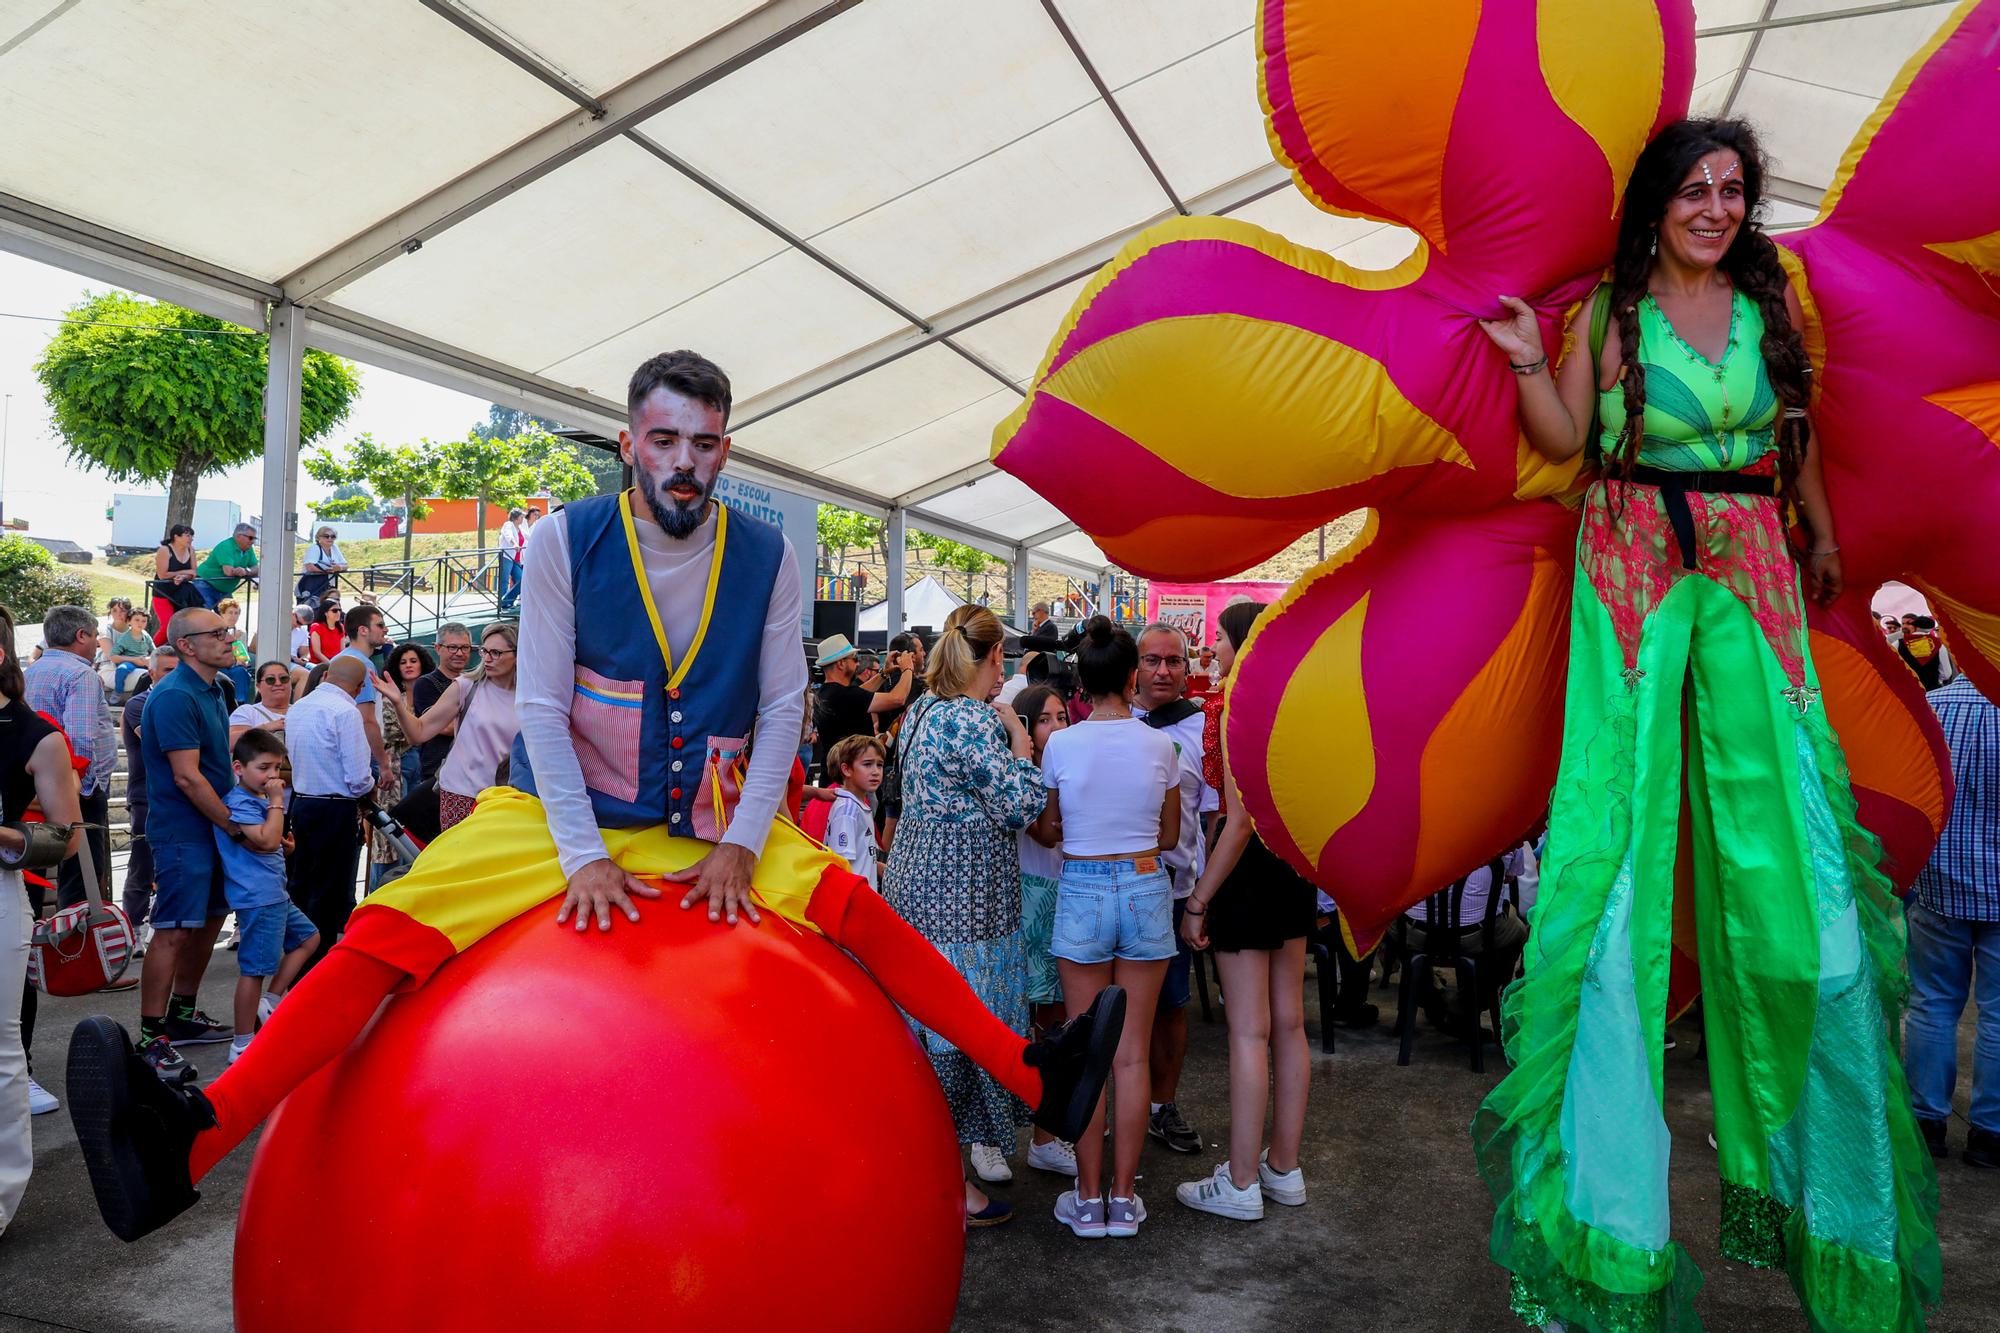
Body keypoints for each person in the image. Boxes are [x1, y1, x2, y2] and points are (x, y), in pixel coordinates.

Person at [67, 350, 1125, 1245]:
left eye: (705, 443)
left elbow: (779, 712)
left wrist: (744, 843)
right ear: (631, 442)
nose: (684, 462)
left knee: (859, 910)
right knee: (384, 932)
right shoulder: (567, 539)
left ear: (726, 449)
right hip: (555, 815)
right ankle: (194, 1137)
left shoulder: (768, 554)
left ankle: (1034, 1075)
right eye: (664, 441)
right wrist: (579, 854)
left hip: (711, 819)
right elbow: (538, 705)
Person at [1473, 118, 1936, 1328]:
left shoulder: (1767, 311)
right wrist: (1528, 356)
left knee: (1803, 893)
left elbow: (1795, 440)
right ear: (1655, 202)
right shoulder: (1608, 315)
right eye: (1695, 188)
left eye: (1733, 190)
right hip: (1628, 563)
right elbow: (1567, 443)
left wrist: (1824, 533)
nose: (1717, 206)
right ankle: (1604, 1239)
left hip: (1752, 568)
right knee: (1614, 867)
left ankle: (1828, 1214)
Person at [882, 603, 1050, 1223]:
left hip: (919, 894)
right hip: (966, 908)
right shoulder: (972, 721)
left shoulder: (924, 710)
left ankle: (935, 1174)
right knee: (960, 1038)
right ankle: (951, 1189)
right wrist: (1022, 741)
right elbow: (1022, 803)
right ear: (993, 659)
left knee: (928, 1037)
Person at [1036, 617, 1180, 1238]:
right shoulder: (1159, 746)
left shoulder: (1060, 746)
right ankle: (1125, 1200)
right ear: (1131, 676)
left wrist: (1077, 832)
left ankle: (1087, 1197)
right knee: (1131, 1053)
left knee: (1085, 1050)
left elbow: (1045, 829)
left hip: (1084, 885)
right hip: (1147, 883)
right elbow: (1171, 836)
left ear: (1080, 682)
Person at [1175, 599, 1314, 1222]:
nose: (1214, 649)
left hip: (1245, 872)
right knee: (1288, 1024)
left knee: (1248, 1032)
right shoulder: (1297, 702)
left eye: (1221, 639)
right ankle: (1282, 1167)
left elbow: (1236, 822)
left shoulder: (1235, 706)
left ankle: (1237, 1181)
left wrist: (1200, 898)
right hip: (1292, 869)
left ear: (1241, 640)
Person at [0, 602, 83, 1236]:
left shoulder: (36, 735)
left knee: (2, 1051)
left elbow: (69, 836)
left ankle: (0, 1202)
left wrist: (6, 834)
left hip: (1, 895)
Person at [135, 607, 242, 1080]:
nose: (228, 637)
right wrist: (236, 827)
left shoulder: (216, 688)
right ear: (186, 645)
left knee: (209, 920)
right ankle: (150, 1037)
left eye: (227, 630)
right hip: (184, 831)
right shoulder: (175, 696)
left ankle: (182, 1014)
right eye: (216, 633)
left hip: (212, 827)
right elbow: (186, 777)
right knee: (175, 928)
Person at [1904, 674, 1998, 1170]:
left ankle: (1927, 1122)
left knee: (1933, 1004)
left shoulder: (1931, 705)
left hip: (1940, 882)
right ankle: (1990, 1134)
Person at [1131, 622, 1217, 1157]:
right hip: (1115, 884)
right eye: (1151, 660)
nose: (1163, 671)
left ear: (1189, 669)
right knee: (1108, 1009)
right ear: (1133, 666)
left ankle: (1162, 1106)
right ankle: (1110, 1111)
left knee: (1169, 1006)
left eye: (1174, 661)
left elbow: (1211, 819)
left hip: (1177, 890)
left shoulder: (1202, 729)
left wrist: (1204, 896)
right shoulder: (1106, 723)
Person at [214, 728, 316, 1066]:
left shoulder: (255, 800)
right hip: (258, 898)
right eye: (264, 768)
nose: (272, 776)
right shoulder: (240, 801)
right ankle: (242, 1042)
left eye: (277, 768)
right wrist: (276, 803)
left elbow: (271, 843)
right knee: (255, 969)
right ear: (239, 767)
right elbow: (266, 840)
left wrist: (286, 846)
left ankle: (271, 1000)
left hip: (274, 893)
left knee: (308, 938)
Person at [1013, 683, 1077, 1179]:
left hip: (1067, 892)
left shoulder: (1069, 770)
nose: (1057, 727)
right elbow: (1045, 830)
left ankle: (1049, 1131)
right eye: (1046, 719)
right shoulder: (1024, 780)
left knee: (1058, 1018)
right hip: (1031, 896)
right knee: (1032, 1020)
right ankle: (1029, 1134)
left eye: (1063, 717)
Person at [375, 624, 518, 830]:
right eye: (484, 651)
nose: (487, 658)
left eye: (496, 652)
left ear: (517, 654)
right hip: (460, 792)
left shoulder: (530, 697)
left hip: (505, 796)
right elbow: (419, 732)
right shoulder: (467, 686)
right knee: (461, 858)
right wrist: (398, 703)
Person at [282, 655, 375, 964]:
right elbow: (358, 776)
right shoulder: (346, 712)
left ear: (326, 676)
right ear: (359, 686)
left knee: (302, 883)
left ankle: (297, 954)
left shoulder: (298, 708)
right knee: (329, 889)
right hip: (335, 806)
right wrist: (369, 787)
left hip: (303, 801)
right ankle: (317, 959)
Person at [25, 605, 115, 910]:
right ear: (81, 636)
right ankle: (76, 952)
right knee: (83, 877)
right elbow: (80, 740)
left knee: (30, 871)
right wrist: (85, 790)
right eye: (95, 636)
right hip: (74, 788)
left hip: (32, 787)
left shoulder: (31, 671)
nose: (97, 642)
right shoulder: (80, 674)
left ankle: (33, 944)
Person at [120, 646, 175, 942]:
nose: (174, 676)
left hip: (177, 795)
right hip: (146, 796)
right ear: (152, 673)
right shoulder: (139, 704)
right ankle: (133, 928)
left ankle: (161, 924)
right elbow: (165, 742)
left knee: (170, 864)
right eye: (167, 670)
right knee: (142, 864)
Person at [813, 633, 911, 770]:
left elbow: (860, 693)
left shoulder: (827, 692)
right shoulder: (842, 695)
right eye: (854, 659)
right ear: (841, 663)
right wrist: (908, 668)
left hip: (838, 774)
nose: (858, 663)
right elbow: (898, 698)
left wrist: (884, 674)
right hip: (852, 778)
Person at [337, 603, 393, 789]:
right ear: (362, 630)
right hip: (362, 753)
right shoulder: (363, 665)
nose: (385, 629)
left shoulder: (338, 660)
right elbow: (367, 720)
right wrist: (384, 764)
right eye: (380, 625)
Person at [821, 733, 884, 889]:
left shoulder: (858, 805)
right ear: (846, 770)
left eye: (880, 765)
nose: (876, 771)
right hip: (855, 901)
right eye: (867, 764)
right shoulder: (848, 810)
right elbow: (843, 866)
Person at [411, 623, 471, 785]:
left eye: (465, 648)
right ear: (437, 648)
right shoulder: (426, 683)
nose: (459, 653)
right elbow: (443, 727)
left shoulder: (473, 681)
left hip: (470, 770)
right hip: (437, 771)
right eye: (452, 648)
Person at [380, 642, 436, 794]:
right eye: (403, 662)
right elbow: (391, 733)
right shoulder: (391, 695)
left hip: (427, 761)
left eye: (413, 661)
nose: (408, 666)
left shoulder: (431, 694)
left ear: (422, 664)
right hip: (399, 759)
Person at [150, 525, 204, 644]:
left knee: (183, 626)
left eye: (192, 536)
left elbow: (194, 573)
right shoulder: (164, 550)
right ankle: (152, 651)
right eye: (187, 535)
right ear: (176, 536)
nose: (191, 538)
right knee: (167, 625)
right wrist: (184, 572)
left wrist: (184, 576)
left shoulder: (191, 550)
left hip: (181, 593)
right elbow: (162, 575)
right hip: (163, 593)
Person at [194, 522, 259, 611]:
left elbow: (256, 568)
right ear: (238, 536)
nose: (253, 542)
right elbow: (228, 572)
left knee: (229, 618)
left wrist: (245, 571)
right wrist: (243, 571)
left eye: (254, 538)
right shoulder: (226, 546)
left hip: (224, 589)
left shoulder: (248, 549)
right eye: (251, 538)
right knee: (203, 616)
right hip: (205, 584)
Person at [227, 661, 293, 745]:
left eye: (284, 678)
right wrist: (266, 728)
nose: (278, 683)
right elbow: (229, 743)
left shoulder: (301, 711)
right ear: (259, 686)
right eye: (270, 680)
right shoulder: (247, 711)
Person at [97, 599, 151, 693]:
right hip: (111, 670)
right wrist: (136, 660)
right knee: (147, 675)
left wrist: (148, 659)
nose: (118, 614)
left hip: (135, 667)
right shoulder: (105, 631)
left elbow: (152, 650)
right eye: (114, 610)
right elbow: (111, 657)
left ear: (129, 612)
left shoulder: (137, 630)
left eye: (122, 610)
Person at [213, 598, 255, 702]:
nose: (233, 616)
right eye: (230, 613)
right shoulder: (214, 631)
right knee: (222, 673)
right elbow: (217, 653)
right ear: (222, 614)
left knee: (241, 672)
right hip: (219, 665)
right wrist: (233, 640)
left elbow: (242, 657)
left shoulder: (241, 633)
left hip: (234, 665)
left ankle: (239, 702)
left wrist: (241, 660)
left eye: (236, 613)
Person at [1899, 615, 1954, 691]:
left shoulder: (1898, 644)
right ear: (1931, 628)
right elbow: (1946, 673)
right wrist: (1936, 680)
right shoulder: (1939, 645)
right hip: (1933, 689)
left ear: (1915, 627)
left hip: (1909, 689)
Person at [297, 527, 347, 606]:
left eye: (333, 536)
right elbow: (309, 566)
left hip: (329, 585)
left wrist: (339, 568)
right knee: (313, 608)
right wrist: (326, 571)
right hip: (313, 585)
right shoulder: (314, 548)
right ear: (319, 537)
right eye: (326, 536)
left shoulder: (334, 548)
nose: (330, 538)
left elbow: (346, 565)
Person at [496, 508, 526, 612]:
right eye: (521, 517)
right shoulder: (508, 525)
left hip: (516, 559)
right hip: (507, 556)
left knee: (521, 579)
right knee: (504, 580)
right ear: (516, 517)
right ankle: (502, 605)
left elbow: (529, 536)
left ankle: (507, 601)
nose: (523, 519)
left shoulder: (520, 528)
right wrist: (514, 543)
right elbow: (508, 535)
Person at [307, 600, 343, 666]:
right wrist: (330, 664)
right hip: (319, 665)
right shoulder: (316, 627)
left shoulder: (340, 627)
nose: (338, 613)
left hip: (336, 664)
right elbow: (317, 652)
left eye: (339, 610)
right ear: (325, 613)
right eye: (334, 610)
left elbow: (342, 651)